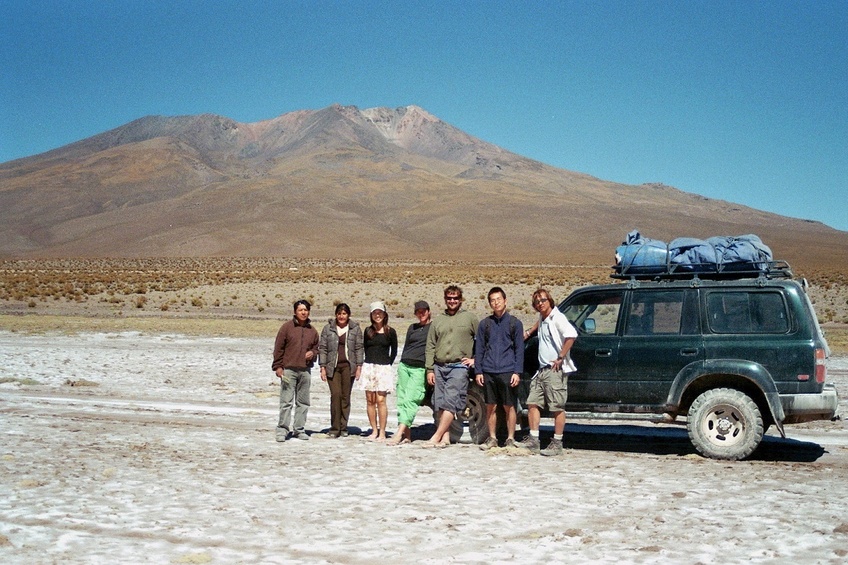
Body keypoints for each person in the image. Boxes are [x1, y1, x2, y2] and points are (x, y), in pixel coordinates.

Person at [521, 288, 577, 456]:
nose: (540, 303)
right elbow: (540, 322)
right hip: (541, 370)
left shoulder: (557, 318)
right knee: (532, 403)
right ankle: (534, 439)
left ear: (550, 300)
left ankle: (557, 442)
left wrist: (560, 357)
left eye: (543, 300)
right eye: (537, 302)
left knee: (557, 407)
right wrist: (530, 332)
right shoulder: (543, 316)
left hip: (554, 369)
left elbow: (571, 335)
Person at [425, 285, 478, 447]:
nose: (452, 301)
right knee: (439, 402)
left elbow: (482, 340)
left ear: (460, 299)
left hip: (459, 367)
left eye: (455, 298)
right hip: (440, 366)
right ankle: (446, 438)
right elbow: (430, 345)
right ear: (445, 300)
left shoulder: (470, 318)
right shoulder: (439, 320)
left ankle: (436, 436)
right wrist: (429, 369)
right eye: (449, 298)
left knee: (451, 401)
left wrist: (476, 359)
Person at [474, 287, 524, 450]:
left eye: (498, 299)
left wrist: (517, 372)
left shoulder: (515, 323)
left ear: (505, 301)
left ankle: (510, 438)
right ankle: (492, 438)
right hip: (489, 371)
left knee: (509, 406)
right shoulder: (485, 324)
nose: (496, 303)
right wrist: (478, 371)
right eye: (492, 300)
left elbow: (519, 349)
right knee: (491, 406)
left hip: (508, 371)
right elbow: (479, 349)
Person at [272, 299, 320, 442]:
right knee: (286, 401)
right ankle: (282, 430)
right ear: (295, 312)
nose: (303, 312)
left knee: (303, 402)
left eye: (305, 310)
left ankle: (299, 429)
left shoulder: (313, 331)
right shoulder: (286, 328)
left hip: (305, 371)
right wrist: (278, 366)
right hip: (289, 370)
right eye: (300, 310)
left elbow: (317, 348)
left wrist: (313, 353)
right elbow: (278, 348)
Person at [386, 301, 432, 446]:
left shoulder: (433, 328)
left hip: (419, 368)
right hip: (405, 365)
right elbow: (407, 345)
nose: (421, 313)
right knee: (401, 400)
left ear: (429, 311)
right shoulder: (412, 327)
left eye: (424, 311)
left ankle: (398, 434)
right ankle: (407, 434)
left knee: (411, 400)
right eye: (418, 311)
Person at [318, 303, 364, 438]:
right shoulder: (328, 329)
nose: (341, 316)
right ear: (336, 315)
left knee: (345, 397)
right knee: (335, 395)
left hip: (349, 367)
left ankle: (343, 427)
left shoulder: (355, 329)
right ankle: (334, 428)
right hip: (332, 367)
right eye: (339, 313)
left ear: (348, 315)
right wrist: (322, 367)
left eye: (344, 313)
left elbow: (359, 348)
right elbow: (323, 348)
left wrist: (359, 367)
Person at [357, 301, 398, 441]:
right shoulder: (368, 331)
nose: (377, 315)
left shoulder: (390, 332)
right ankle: (374, 430)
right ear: (371, 315)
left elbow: (394, 352)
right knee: (370, 400)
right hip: (369, 367)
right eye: (375, 312)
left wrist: (386, 365)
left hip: (383, 368)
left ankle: (382, 432)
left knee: (381, 400)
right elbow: (364, 348)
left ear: (384, 314)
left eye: (380, 312)